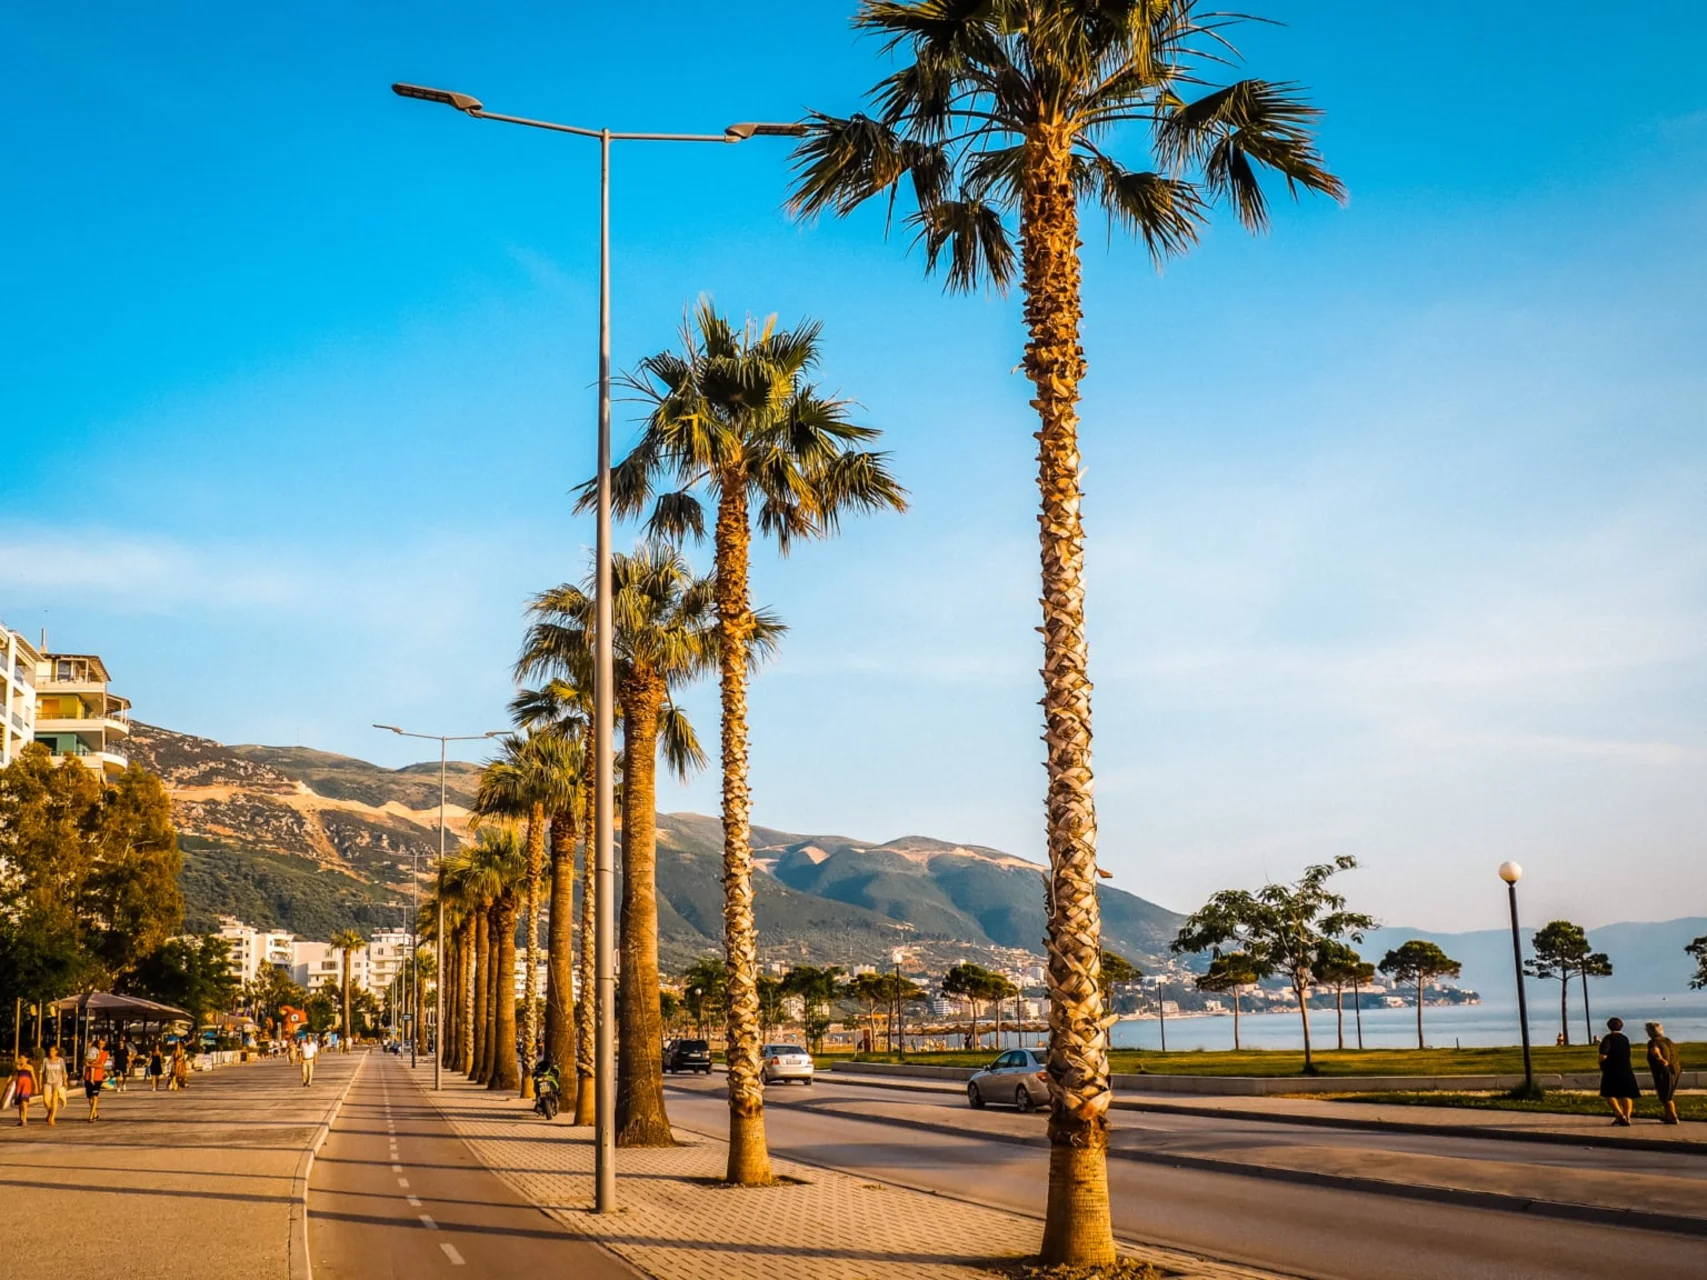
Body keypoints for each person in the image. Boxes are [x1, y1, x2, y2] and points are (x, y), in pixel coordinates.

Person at [1598, 1016, 1640, 1126]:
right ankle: (1627, 1117)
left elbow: (1603, 1055)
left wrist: (1602, 1065)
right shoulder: (1625, 1039)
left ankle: (1619, 1115)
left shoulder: (1608, 1039)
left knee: (1609, 1094)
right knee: (1626, 1094)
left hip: (1611, 1070)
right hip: (1626, 1068)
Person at [1646, 1021, 1683, 1126]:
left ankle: (1673, 1117)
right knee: (1666, 1094)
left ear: (1650, 1032)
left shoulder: (1653, 1042)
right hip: (1674, 1069)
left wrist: (1661, 1059)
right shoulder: (1667, 1040)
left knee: (1666, 1096)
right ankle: (1668, 1116)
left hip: (1664, 1071)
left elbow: (1655, 1051)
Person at [6, 1051, 39, 1127]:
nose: (21, 1059)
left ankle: (25, 1119)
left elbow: (34, 1078)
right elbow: (12, 1074)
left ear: (26, 1059)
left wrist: (36, 1087)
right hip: (19, 1085)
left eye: (22, 1058)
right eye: (20, 1058)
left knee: (24, 1102)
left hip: (27, 1086)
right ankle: (21, 1119)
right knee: (20, 1103)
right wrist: (8, 1080)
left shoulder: (30, 1067)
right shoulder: (18, 1067)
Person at [84, 1036, 111, 1122]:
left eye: (103, 1044)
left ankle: (91, 1116)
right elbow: (85, 1061)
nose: (101, 1045)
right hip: (88, 1076)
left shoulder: (105, 1053)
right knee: (90, 1098)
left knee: (95, 1097)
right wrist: (86, 1063)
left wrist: (90, 1065)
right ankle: (95, 1113)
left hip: (98, 1077)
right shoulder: (91, 1050)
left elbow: (101, 1065)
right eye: (99, 1043)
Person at [41, 1045, 68, 1126]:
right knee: (46, 1101)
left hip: (57, 1082)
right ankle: (50, 1112)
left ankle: (52, 1118)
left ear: (56, 1051)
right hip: (47, 1082)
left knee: (54, 1101)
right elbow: (41, 1072)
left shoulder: (60, 1060)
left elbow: (63, 1071)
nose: (51, 1052)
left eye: (53, 1050)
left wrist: (65, 1081)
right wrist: (40, 1083)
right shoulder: (45, 1060)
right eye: (50, 1050)